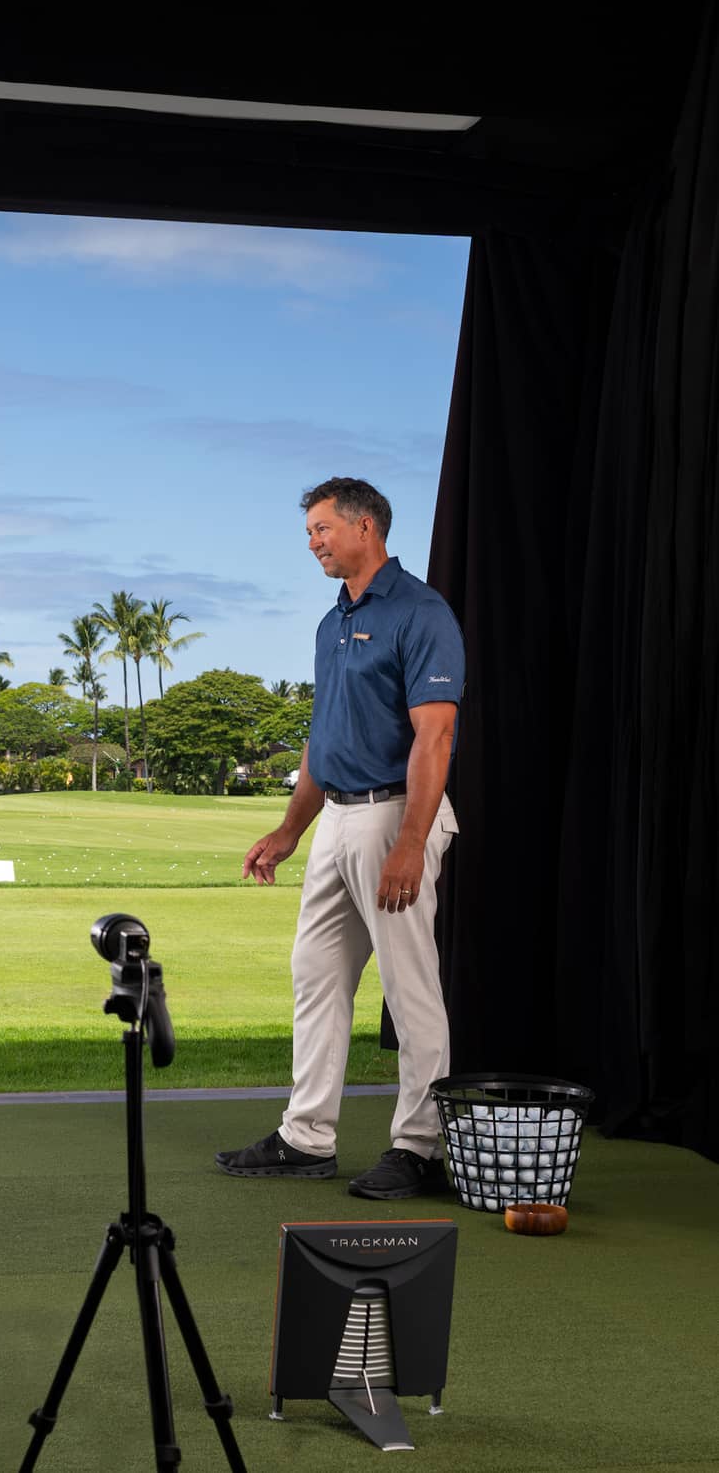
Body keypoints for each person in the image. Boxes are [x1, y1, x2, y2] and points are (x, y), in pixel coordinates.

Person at [216, 477, 463, 1199]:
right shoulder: (333, 623)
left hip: (395, 815)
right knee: (316, 973)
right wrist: (290, 828)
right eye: (309, 533)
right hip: (336, 819)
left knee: (409, 988)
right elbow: (322, 739)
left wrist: (411, 842)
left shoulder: (421, 612)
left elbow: (436, 736)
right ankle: (306, 1138)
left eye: (322, 529)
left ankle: (418, 1148)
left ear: (365, 528)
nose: (313, 544)